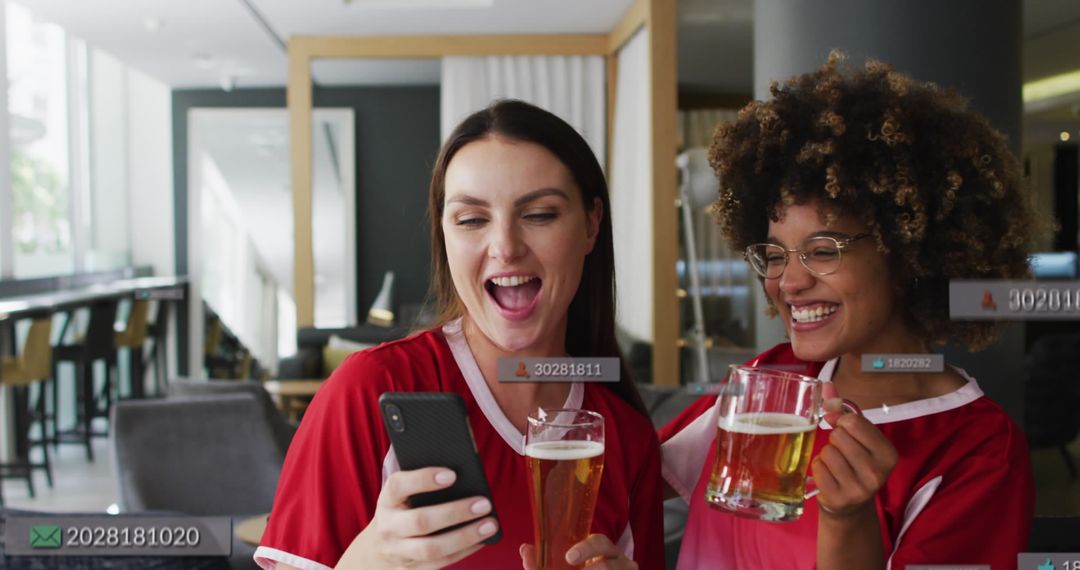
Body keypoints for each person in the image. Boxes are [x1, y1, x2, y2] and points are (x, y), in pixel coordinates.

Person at [660, 53, 1038, 569]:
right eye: (774, 254)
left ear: (905, 253)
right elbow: (617, 472)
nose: (788, 282)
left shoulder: (976, 450)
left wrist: (848, 522)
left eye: (823, 250)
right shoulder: (772, 380)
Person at [254, 100, 664, 570]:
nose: (506, 247)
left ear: (591, 224)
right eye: (472, 220)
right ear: (444, 234)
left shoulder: (626, 440)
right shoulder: (371, 389)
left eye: (540, 214)